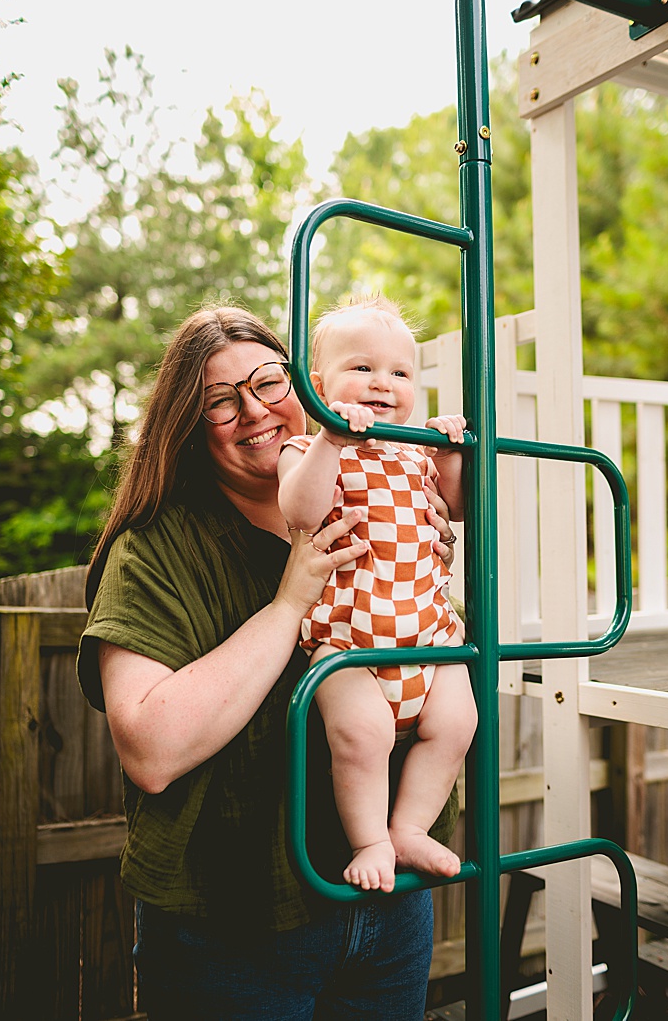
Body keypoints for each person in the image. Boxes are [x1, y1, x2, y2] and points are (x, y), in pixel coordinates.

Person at [79, 304, 458, 1020]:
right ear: (190, 424)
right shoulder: (156, 549)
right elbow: (151, 750)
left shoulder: (375, 493)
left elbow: (417, 655)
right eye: (220, 400)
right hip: (233, 923)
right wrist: (290, 605)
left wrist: (429, 552)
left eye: (267, 381)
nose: (254, 409)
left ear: (303, 387)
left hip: (384, 904)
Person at [277, 295, 476, 893]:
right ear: (318, 384)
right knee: (363, 737)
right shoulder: (307, 449)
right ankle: (371, 840)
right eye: (362, 368)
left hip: (426, 636)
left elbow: (461, 509)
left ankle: (411, 827)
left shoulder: (416, 448)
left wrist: (450, 456)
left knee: (460, 722)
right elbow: (301, 511)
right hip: (349, 643)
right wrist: (331, 440)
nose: (382, 384)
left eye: (400, 373)